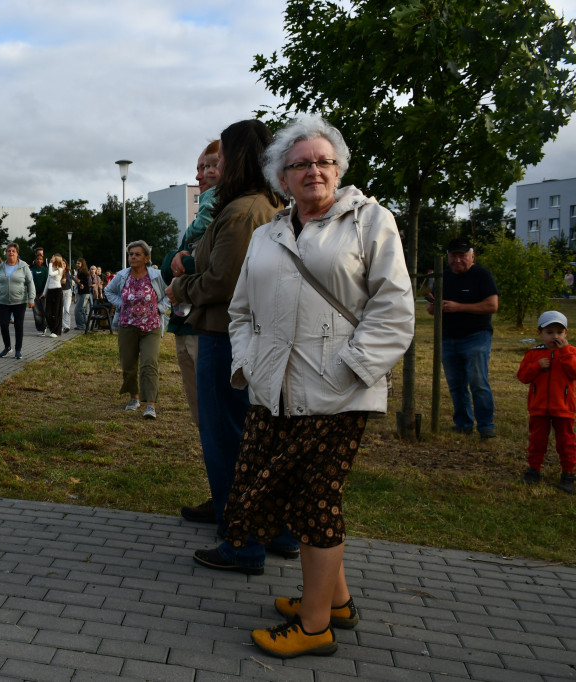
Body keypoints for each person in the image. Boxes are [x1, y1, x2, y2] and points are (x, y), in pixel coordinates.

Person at [214, 116, 413, 658]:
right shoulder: (267, 233)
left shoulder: (370, 221)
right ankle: (337, 601)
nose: (314, 171)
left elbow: (393, 310)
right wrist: (249, 365)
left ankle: (315, 624)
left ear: (339, 168)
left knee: (318, 501)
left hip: (337, 393)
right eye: (300, 163)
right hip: (273, 390)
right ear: (282, 176)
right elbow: (240, 312)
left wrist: (348, 369)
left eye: (323, 161)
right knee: (296, 499)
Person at [167, 124, 286, 545]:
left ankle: (240, 534)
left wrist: (180, 286)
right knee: (251, 437)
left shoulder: (243, 211)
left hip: (222, 334)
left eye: (221, 159)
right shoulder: (262, 204)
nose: (213, 169)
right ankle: (265, 526)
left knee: (227, 438)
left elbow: (222, 281)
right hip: (246, 334)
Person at [161, 140, 221, 432]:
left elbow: (217, 271)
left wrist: (181, 262)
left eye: (210, 166)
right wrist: (176, 256)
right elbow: (167, 269)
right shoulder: (211, 203)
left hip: (208, 326)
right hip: (186, 322)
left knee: (214, 414)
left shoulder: (232, 208)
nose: (200, 176)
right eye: (199, 168)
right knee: (200, 411)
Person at [426, 236, 499, 438]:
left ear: (472, 256)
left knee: (478, 382)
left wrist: (460, 307)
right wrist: (434, 306)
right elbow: (431, 309)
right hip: (448, 338)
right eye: (453, 256)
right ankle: (463, 424)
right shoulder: (444, 277)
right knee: (456, 384)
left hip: (476, 336)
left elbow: (492, 305)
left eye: (462, 256)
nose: (457, 260)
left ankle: (485, 426)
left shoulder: (481, 275)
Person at [104, 240, 168, 419]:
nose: (132, 257)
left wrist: (159, 308)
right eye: (131, 254)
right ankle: (134, 398)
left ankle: (150, 405)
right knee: (128, 365)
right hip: (127, 326)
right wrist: (122, 304)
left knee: (149, 364)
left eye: (137, 254)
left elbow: (170, 293)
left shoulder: (157, 275)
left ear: (146, 257)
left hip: (151, 327)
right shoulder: (122, 275)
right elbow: (108, 291)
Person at [518, 310, 576, 494]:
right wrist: (537, 366)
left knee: (566, 442)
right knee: (537, 440)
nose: (555, 337)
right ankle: (533, 469)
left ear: (566, 333)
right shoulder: (533, 355)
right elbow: (523, 376)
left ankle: (568, 473)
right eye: (549, 332)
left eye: (559, 332)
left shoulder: (571, 352)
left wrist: (565, 352)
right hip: (539, 407)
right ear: (540, 333)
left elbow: (574, 373)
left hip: (563, 408)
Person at [0, 242, 36, 359]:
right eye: (9, 251)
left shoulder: (24, 266)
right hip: (3, 301)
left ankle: (18, 350)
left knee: (18, 326)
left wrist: (31, 298)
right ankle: (7, 347)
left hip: (19, 301)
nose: (11, 253)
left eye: (13, 251)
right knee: (3, 324)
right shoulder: (1, 266)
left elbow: (30, 283)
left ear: (17, 253)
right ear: (6, 253)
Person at [43, 254, 65, 337]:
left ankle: (56, 331)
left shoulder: (60, 269)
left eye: (53, 258)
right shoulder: (51, 269)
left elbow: (51, 274)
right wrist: (44, 293)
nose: (51, 259)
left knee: (56, 311)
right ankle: (52, 328)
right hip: (50, 290)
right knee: (47, 312)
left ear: (56, 260)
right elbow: (47, 281)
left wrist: (50, 264)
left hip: (57, 291)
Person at [30, 249, 49, 334]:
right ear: (35, 260)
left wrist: (44, 292)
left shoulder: (45, 270)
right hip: (34, 294)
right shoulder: (32, 269)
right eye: (37, 259)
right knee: (36, 312)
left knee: (44, 311)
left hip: (43, 294)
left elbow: (46, 281)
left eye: (40, 259)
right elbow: (30, 281)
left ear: (42, 260)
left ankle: (44, 326)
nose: (39, 260)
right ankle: (39, 328)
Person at [74, 258, 91, 331]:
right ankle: (85, 324)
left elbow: (83, 282)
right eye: (77, 263)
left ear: (82, 264)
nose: (77, 265)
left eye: (79, 263)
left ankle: (81, 325)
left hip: (84, 293)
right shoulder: (80, 272)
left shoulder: (83, 273)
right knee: (82, 310)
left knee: (78, 310)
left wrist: (78, 280)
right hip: (83, 293)